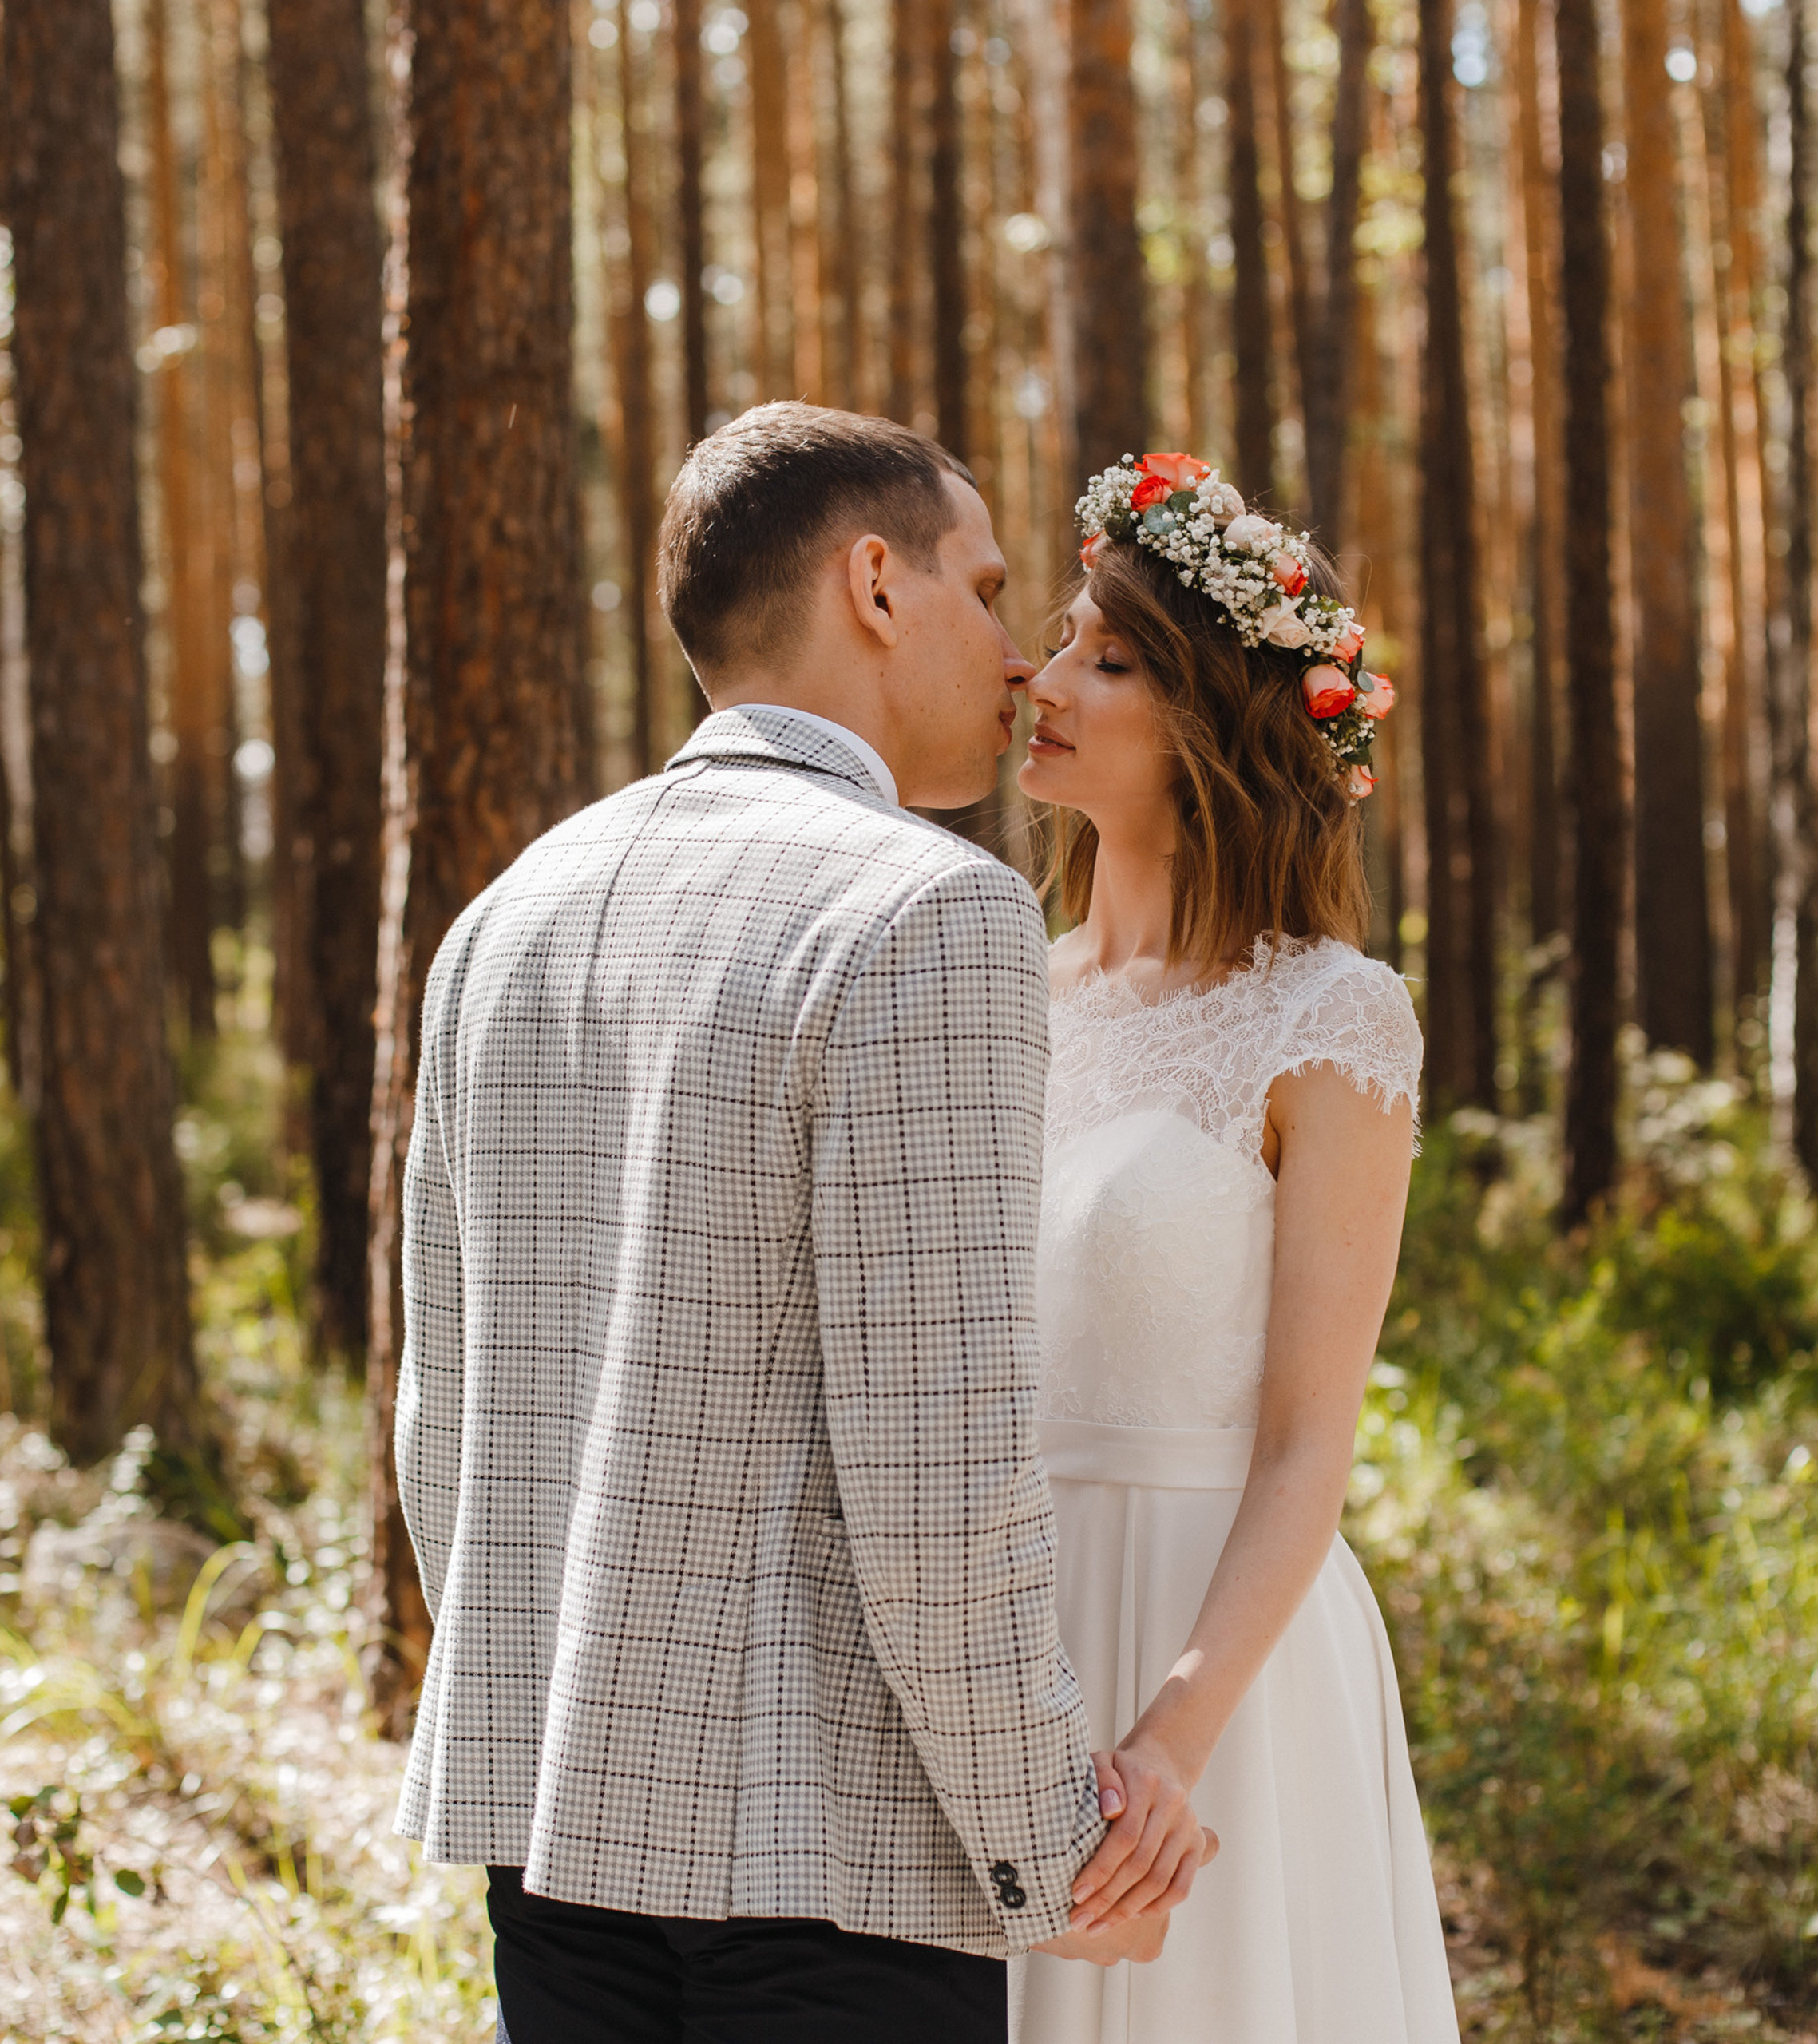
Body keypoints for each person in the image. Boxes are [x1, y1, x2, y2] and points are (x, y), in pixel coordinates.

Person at [390, 406, 1212, 2044]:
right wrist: (1047, 1841)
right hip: (832, 1870)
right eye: (983, 587)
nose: (1015, 654)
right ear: (872, 584)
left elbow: (443, 1427)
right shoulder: (929, 909)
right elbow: (937, 1467)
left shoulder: (506, 914)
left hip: (554, 1851)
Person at [1007, 454, 1461, 2042]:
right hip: (1003, 1631)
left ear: (1213, 721)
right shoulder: (1007, 987)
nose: (1041, 678)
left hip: (1218, 1663)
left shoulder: (1328, 1017)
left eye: (1107, 659)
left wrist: (1167, 1744)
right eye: (1061, 635)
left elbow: (1303, 1442)